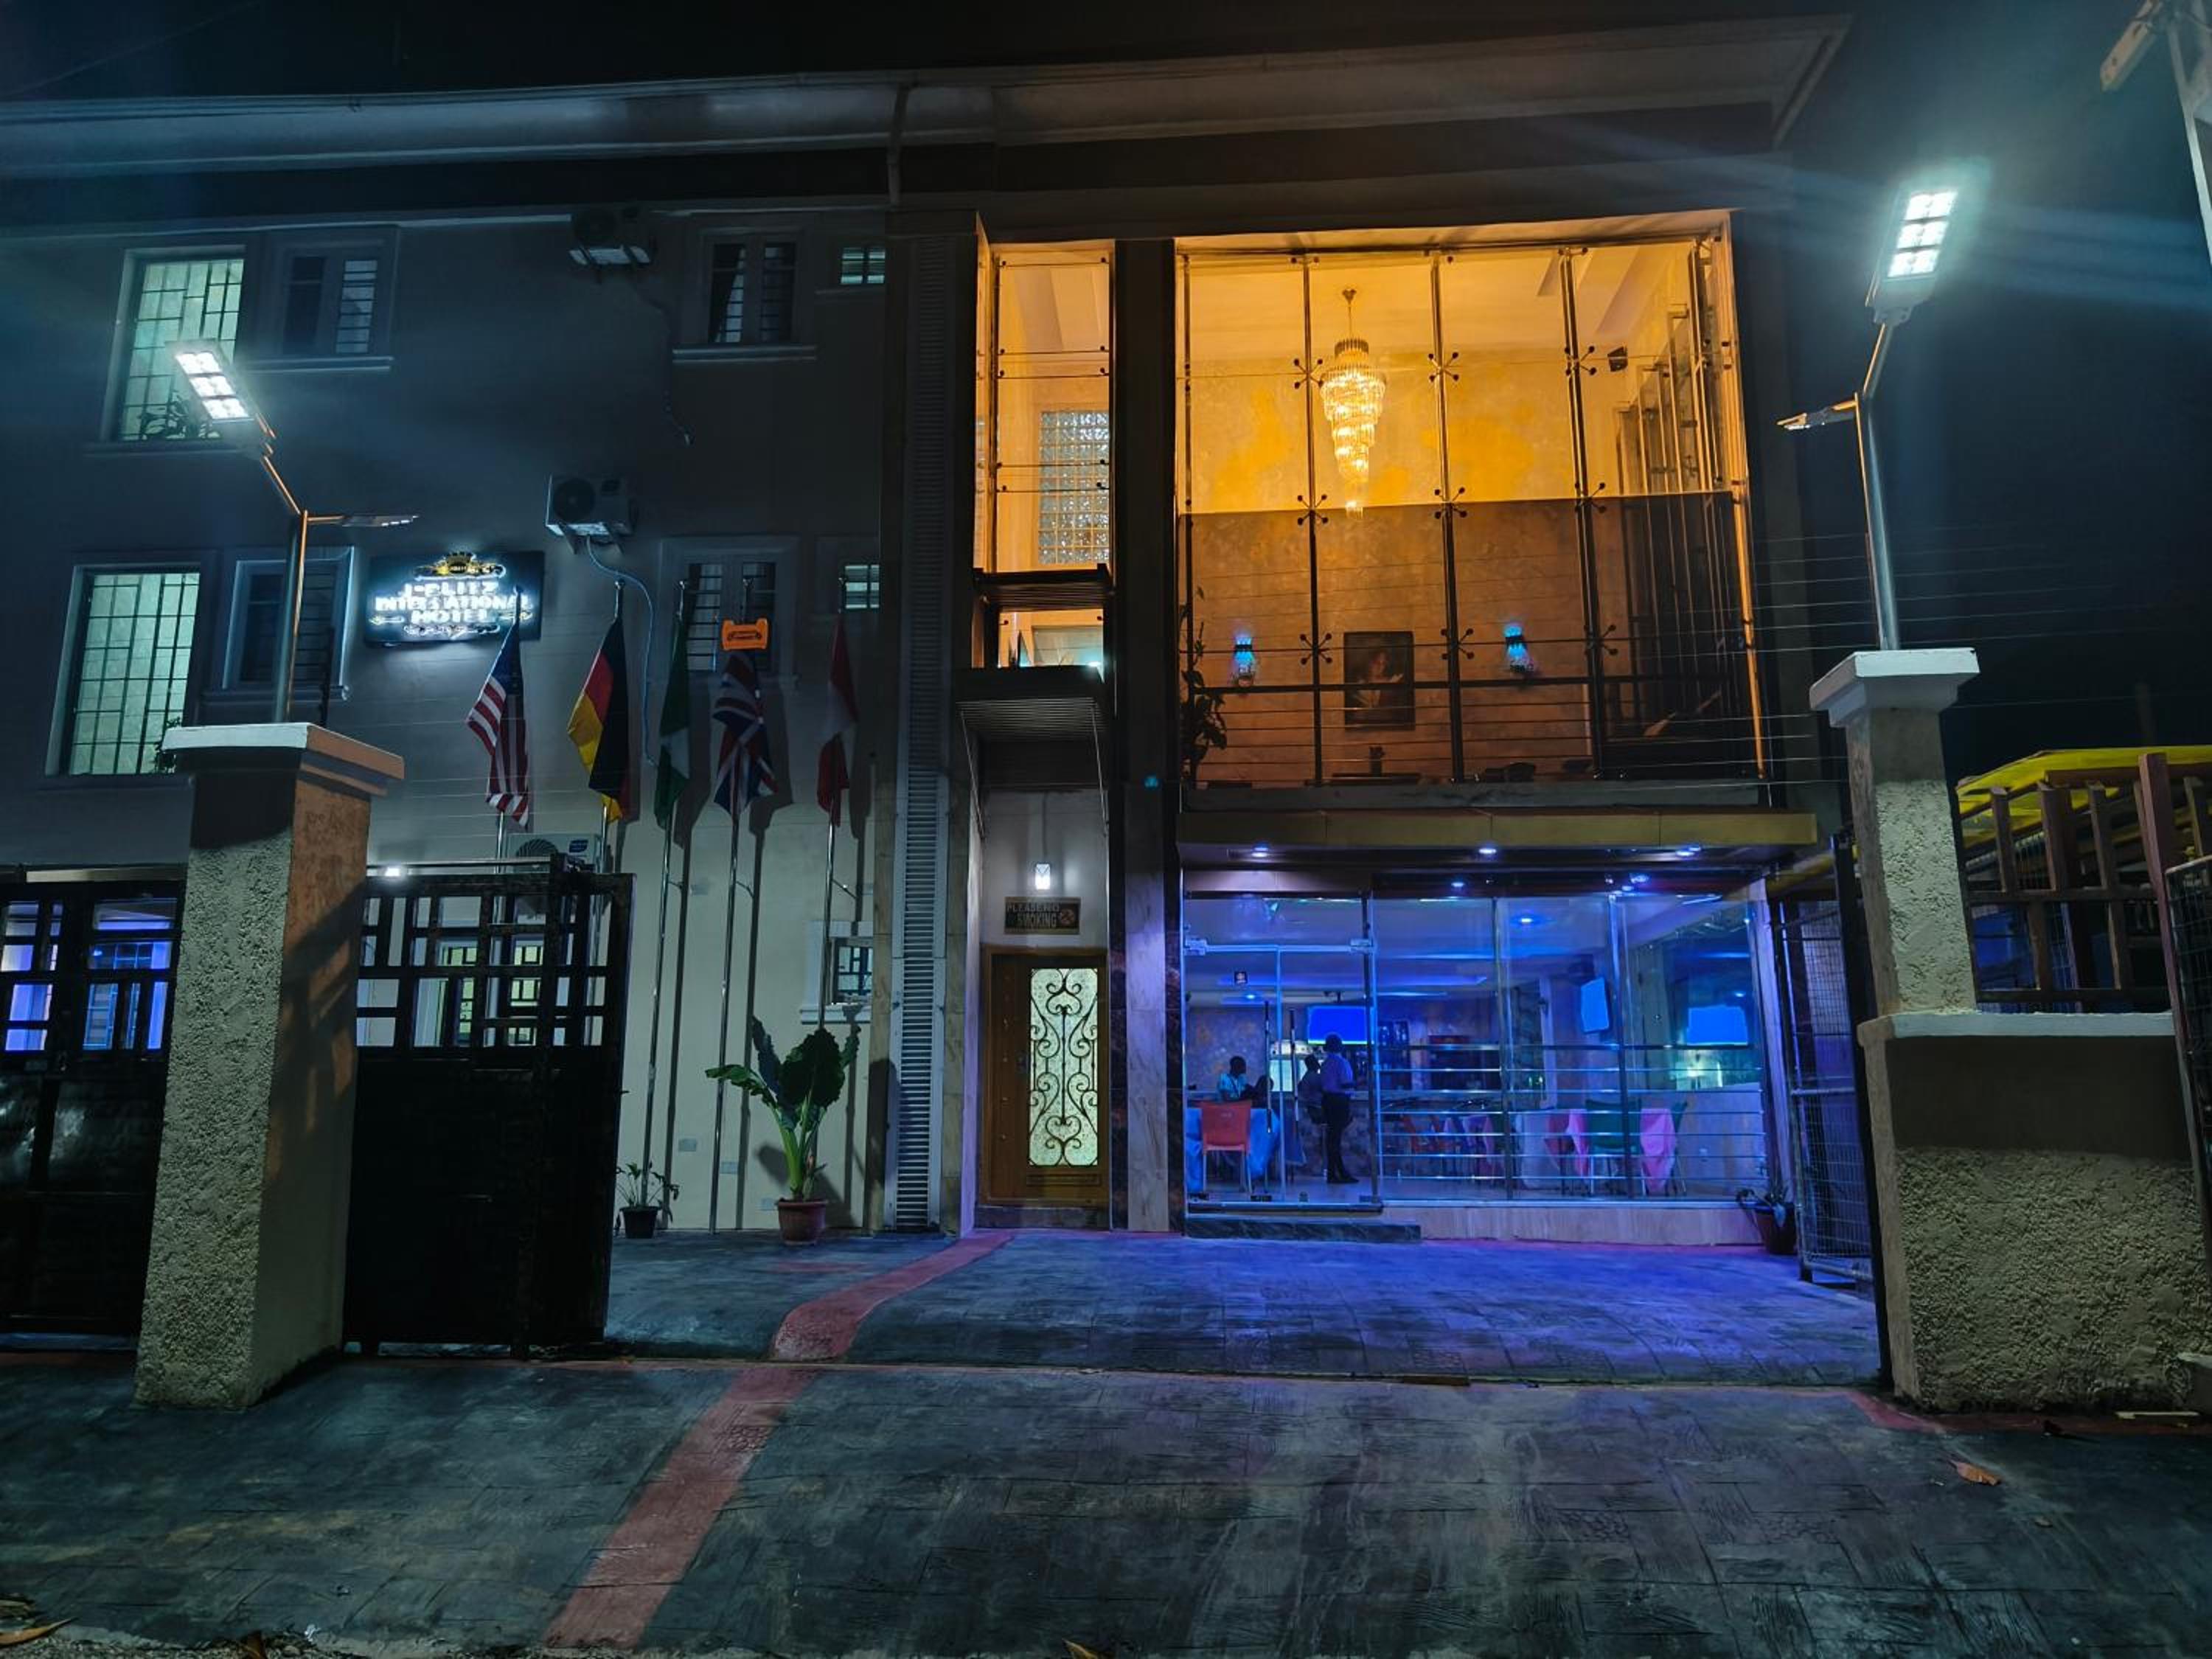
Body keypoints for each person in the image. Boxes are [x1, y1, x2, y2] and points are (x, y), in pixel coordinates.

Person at [1318, 1034, 1357, 1184]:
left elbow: (1323, 1084)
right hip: (1339, 1101)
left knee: (1332, 1139)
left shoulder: (1325, 1064)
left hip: (1327, 1101)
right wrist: (1359, 1082)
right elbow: (1344, 1083)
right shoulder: (1342, 1062)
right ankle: (1338, 1173)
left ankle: (1333, 1173)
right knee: (1336, 1139)